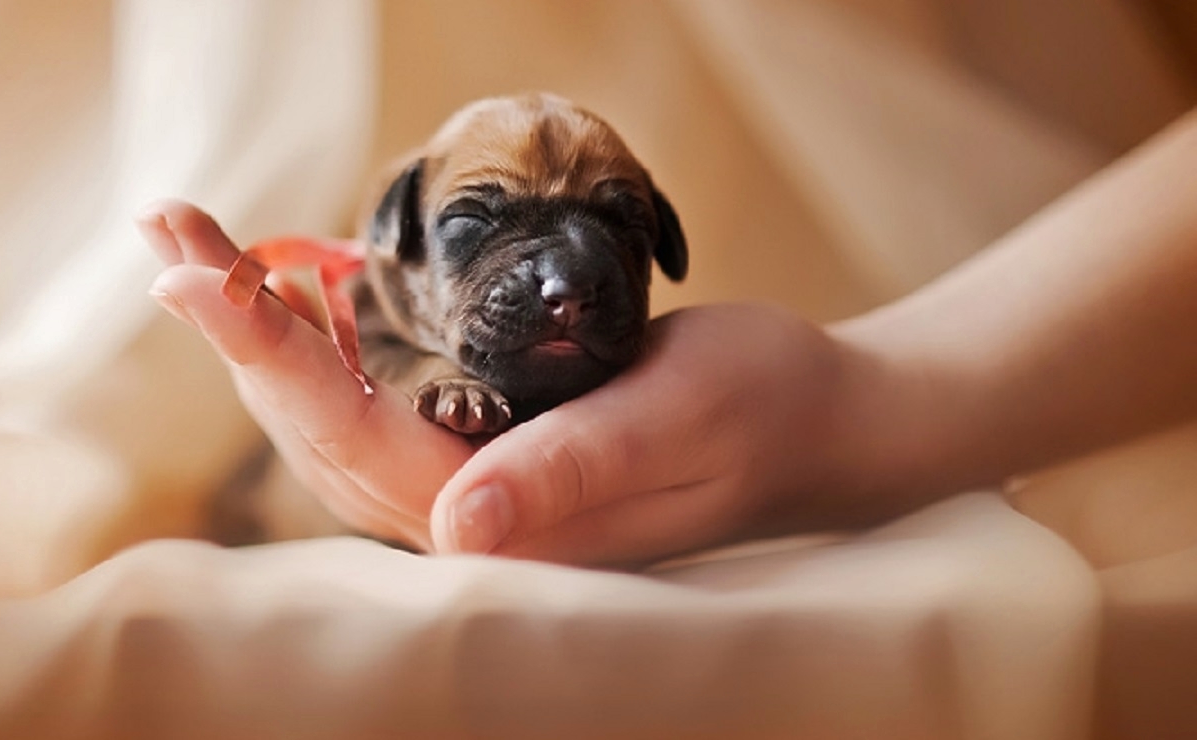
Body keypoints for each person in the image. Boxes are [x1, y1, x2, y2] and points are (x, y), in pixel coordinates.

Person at [139, 109, 1197, 568]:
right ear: (394, 238)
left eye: (616, 224)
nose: (563, 279)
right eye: (478, 225)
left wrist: (861, 404)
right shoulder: (366, 310)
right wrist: (425, 376)